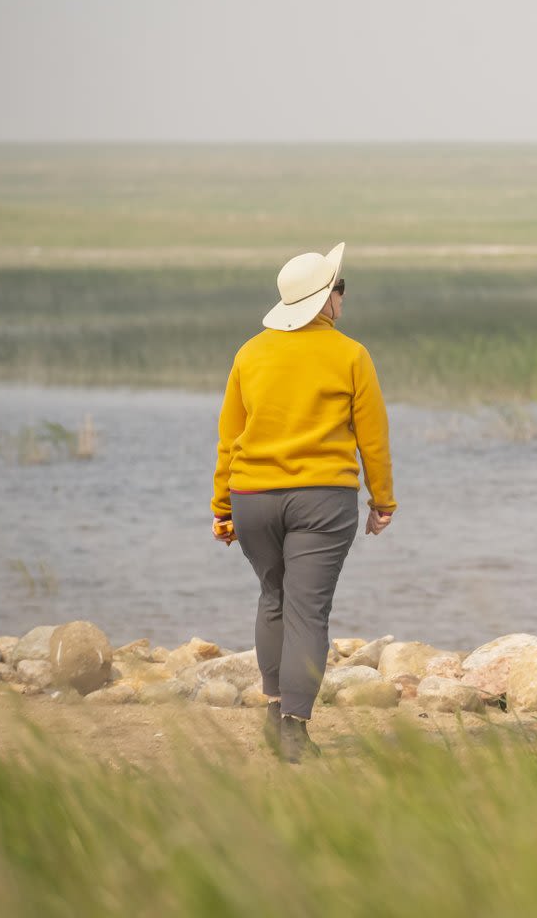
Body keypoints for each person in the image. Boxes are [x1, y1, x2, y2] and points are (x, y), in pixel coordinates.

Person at [211, 242, 396, 763]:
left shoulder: (249, 353)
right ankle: (293, 729)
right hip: (322, 500)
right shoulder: (351, 354)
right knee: (308, 612)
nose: (344, 296)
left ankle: (275, 714)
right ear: (325, 299)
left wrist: (222, 508)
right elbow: (373, 439)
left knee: (273, 597)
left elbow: (230, 438)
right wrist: (382, 501)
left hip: (251, 499)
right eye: (341, 288)